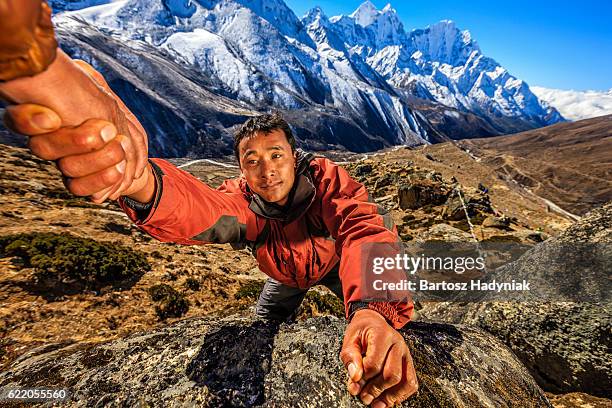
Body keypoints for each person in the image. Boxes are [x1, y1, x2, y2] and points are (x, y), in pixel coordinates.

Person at [0, 1, 418, 406]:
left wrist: (372, 311)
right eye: (251, 161)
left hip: (330, 267)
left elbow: (363, 229)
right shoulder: (245, 202)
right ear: (241, 170)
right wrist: (142, 182)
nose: (266, 170)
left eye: (275, 155)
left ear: (295, 155)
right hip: (286, 276)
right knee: (264, 328)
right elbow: (200, 209)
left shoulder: (325, 182)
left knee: (374, 317)